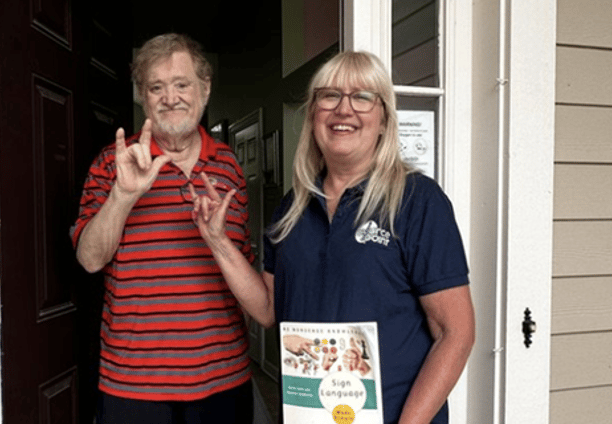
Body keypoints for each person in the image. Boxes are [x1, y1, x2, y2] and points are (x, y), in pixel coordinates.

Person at [189, 51, 475, 424]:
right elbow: (267, 309)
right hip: (309, 414)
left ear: (384, 120)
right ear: (312, 115)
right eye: (330, 96)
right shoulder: (291, 208)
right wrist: (217, 241)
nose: (344, 109)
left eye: (362, 97)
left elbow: (455, 333)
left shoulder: (417, 200)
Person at [70, 33, 254, 424]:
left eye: (181, 84)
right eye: (157, 87)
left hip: (223, 380)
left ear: (204, 89)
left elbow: (246, 272)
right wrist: (122, 195)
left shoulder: (230, 167)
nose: (171, 98)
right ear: (143, 96)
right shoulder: (111, 164)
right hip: (133, 385)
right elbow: (88, 260)